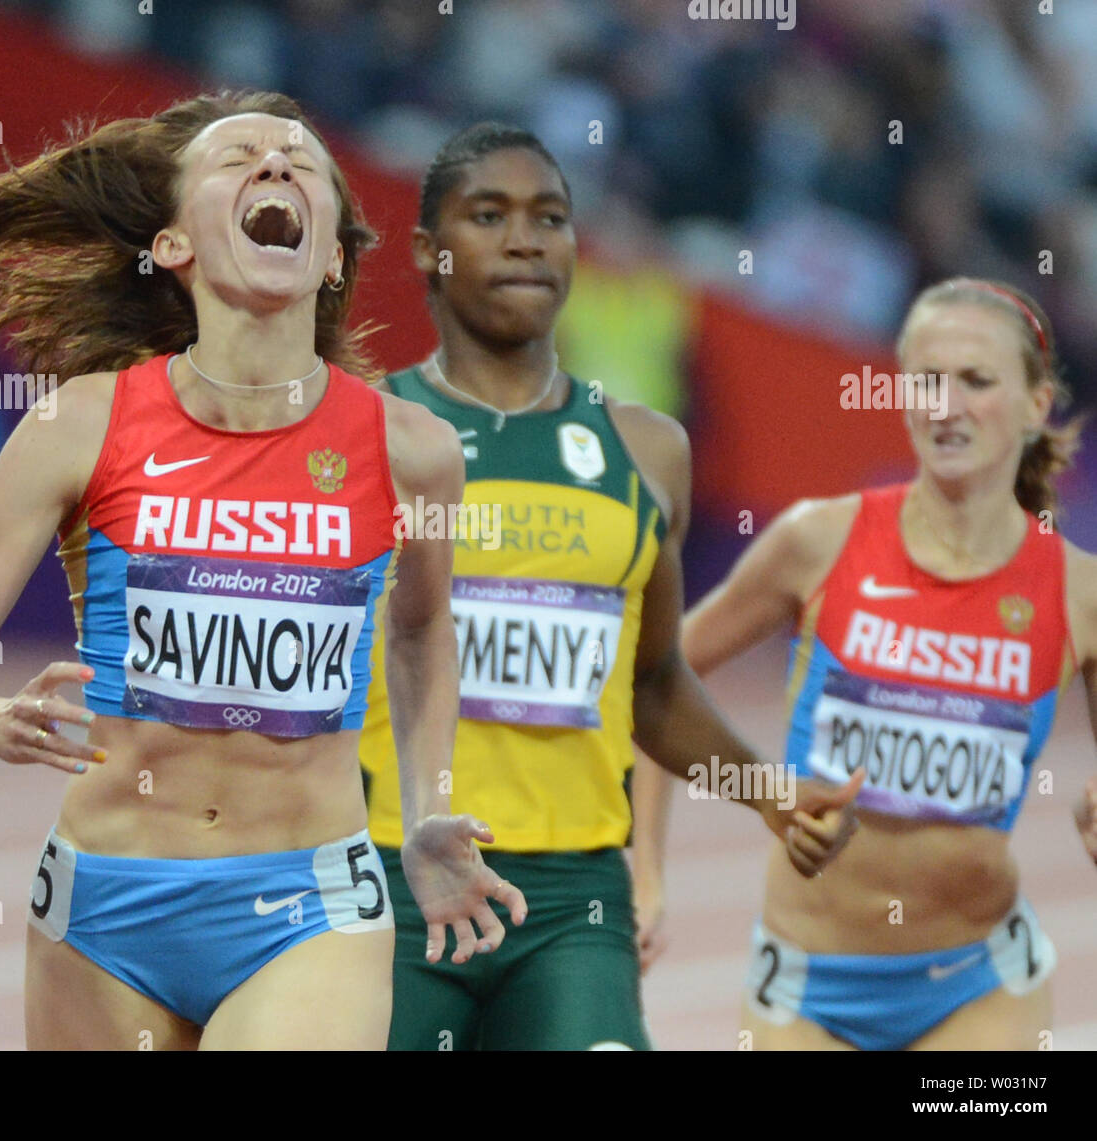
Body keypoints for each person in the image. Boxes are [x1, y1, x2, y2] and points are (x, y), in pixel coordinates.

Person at [0, 89, 525, 1051]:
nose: (276, 165)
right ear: (175, 244)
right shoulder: (79, 426)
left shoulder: (411, 450)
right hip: (103, 913)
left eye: (300, 159)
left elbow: (425, 628)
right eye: (242, 158)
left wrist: (425, 809)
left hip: (309, 905)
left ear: (334, 254)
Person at [358, 123, 863, 1051]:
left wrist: (766, 792)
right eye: (489, 215)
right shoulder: (370, 433)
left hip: (573, 906)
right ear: (429, 251)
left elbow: (655, 683)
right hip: (393, 886)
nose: (525, 239)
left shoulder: (647, 449)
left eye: (550, 218)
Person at [682, 277, 1097, 1050]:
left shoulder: (1078, 590)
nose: (947, 405)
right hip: (808, 987)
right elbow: (655, 681)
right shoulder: (818, 539)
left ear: (1038, 404)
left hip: (979, 985)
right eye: (928, 382)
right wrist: (727, 807)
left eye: (976, 381)